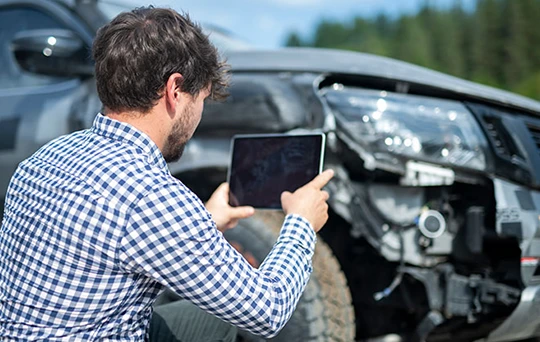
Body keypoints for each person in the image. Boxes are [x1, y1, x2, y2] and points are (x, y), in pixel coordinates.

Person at [0, 6, 334, 341]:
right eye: (201, 98)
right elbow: (267, 310)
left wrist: (204, 219)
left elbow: (105, 244)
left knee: (210, 318)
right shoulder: (149, 195)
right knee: (229, 312)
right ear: (174, 90)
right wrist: (301, 223)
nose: (199, 115)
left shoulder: (42, 160)